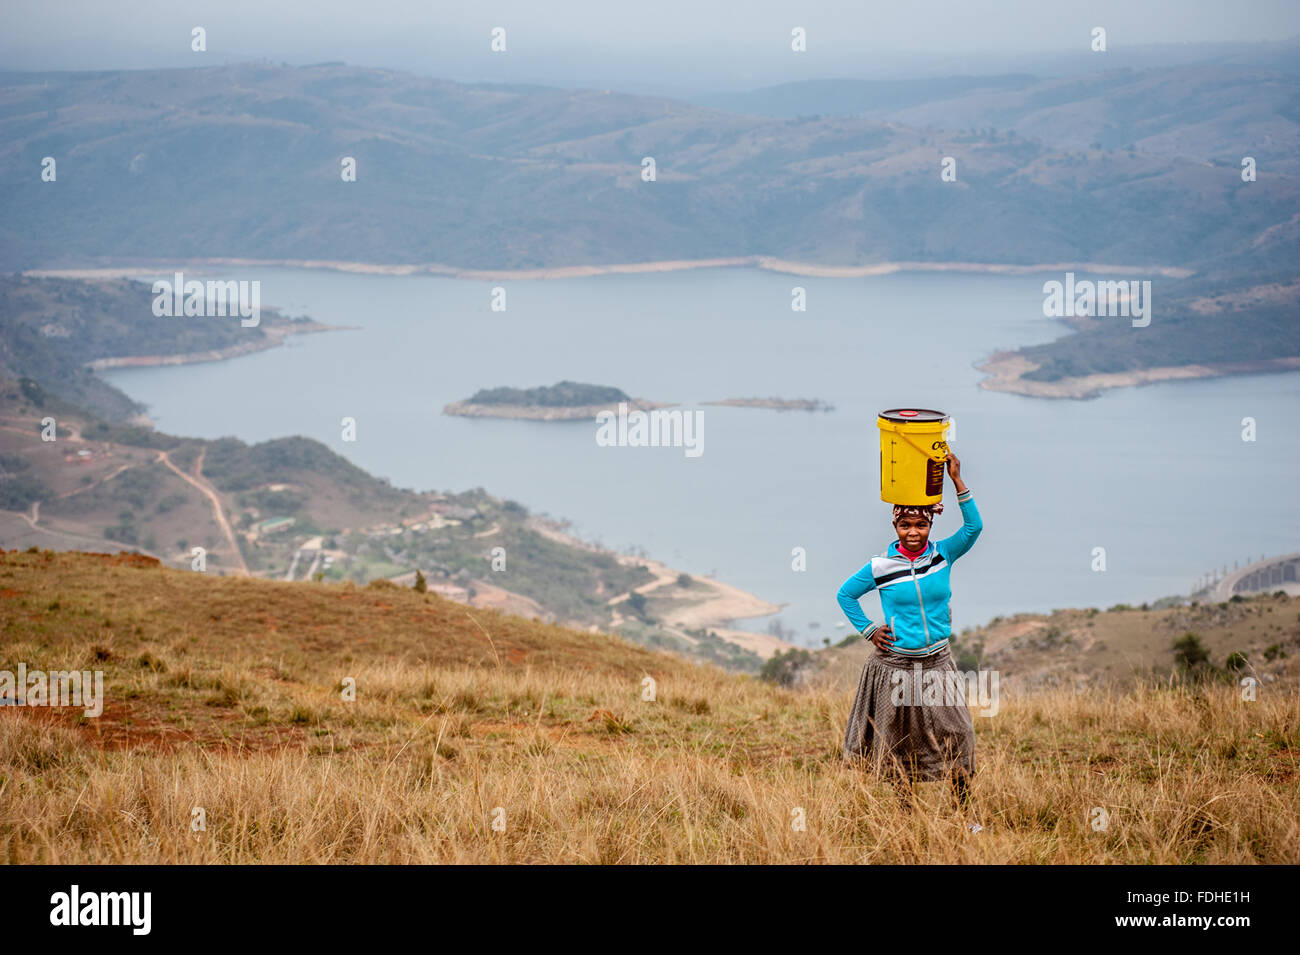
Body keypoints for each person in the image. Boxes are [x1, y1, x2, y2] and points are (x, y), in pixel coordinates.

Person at [836, 452, 983, 809]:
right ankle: (905, 818)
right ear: (895, 527)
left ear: (930, 526)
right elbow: (846, 595)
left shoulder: (943, 555)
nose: (913, 532)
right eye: (906, 526)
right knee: (899, 745)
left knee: (959, 736)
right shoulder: (881, 567)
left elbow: (974, 528)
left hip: (937, 663)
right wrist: (870, 630)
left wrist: (957, 481)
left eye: (920, 525)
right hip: (895, 667)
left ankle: (965, 815)